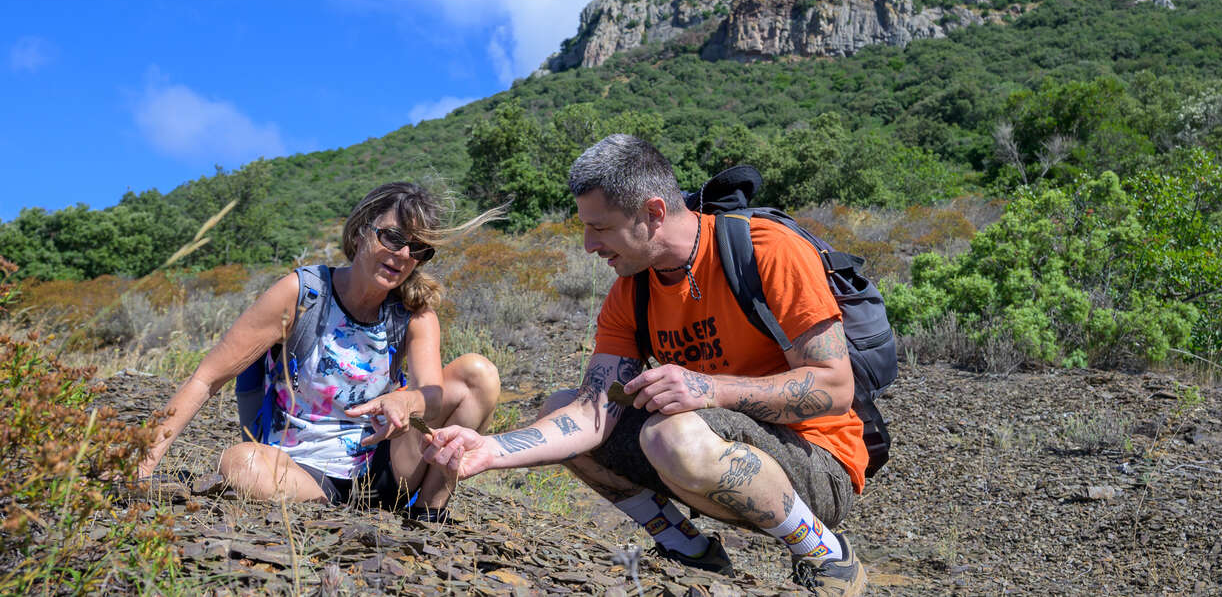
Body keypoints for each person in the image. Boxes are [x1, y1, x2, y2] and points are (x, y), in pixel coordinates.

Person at [423, 135, 869, 596]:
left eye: (601, 227)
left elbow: (836, 388)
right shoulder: (631, 289)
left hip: (817, 463)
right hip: (704, 447)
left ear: (654, 213)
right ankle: (687, 549)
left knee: (669, 433)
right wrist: (491, 450)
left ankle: (826, 554)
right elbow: (591, 414)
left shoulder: (767, 250)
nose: (588, 244)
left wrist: (710, 389)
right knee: (559, 406)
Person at [140, 182, 502, 519]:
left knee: (478, 375)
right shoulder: (303, 294)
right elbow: (207, 379)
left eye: (418, 249)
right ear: (361, 231)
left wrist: (407, 403)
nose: (403, 255)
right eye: (392, 238)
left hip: (385, 464)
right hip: (300, 470)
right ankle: (333, 507)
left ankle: (428, 512)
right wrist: (142, 466)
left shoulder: (413, 311)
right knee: (240, 464)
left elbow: (434, 396)